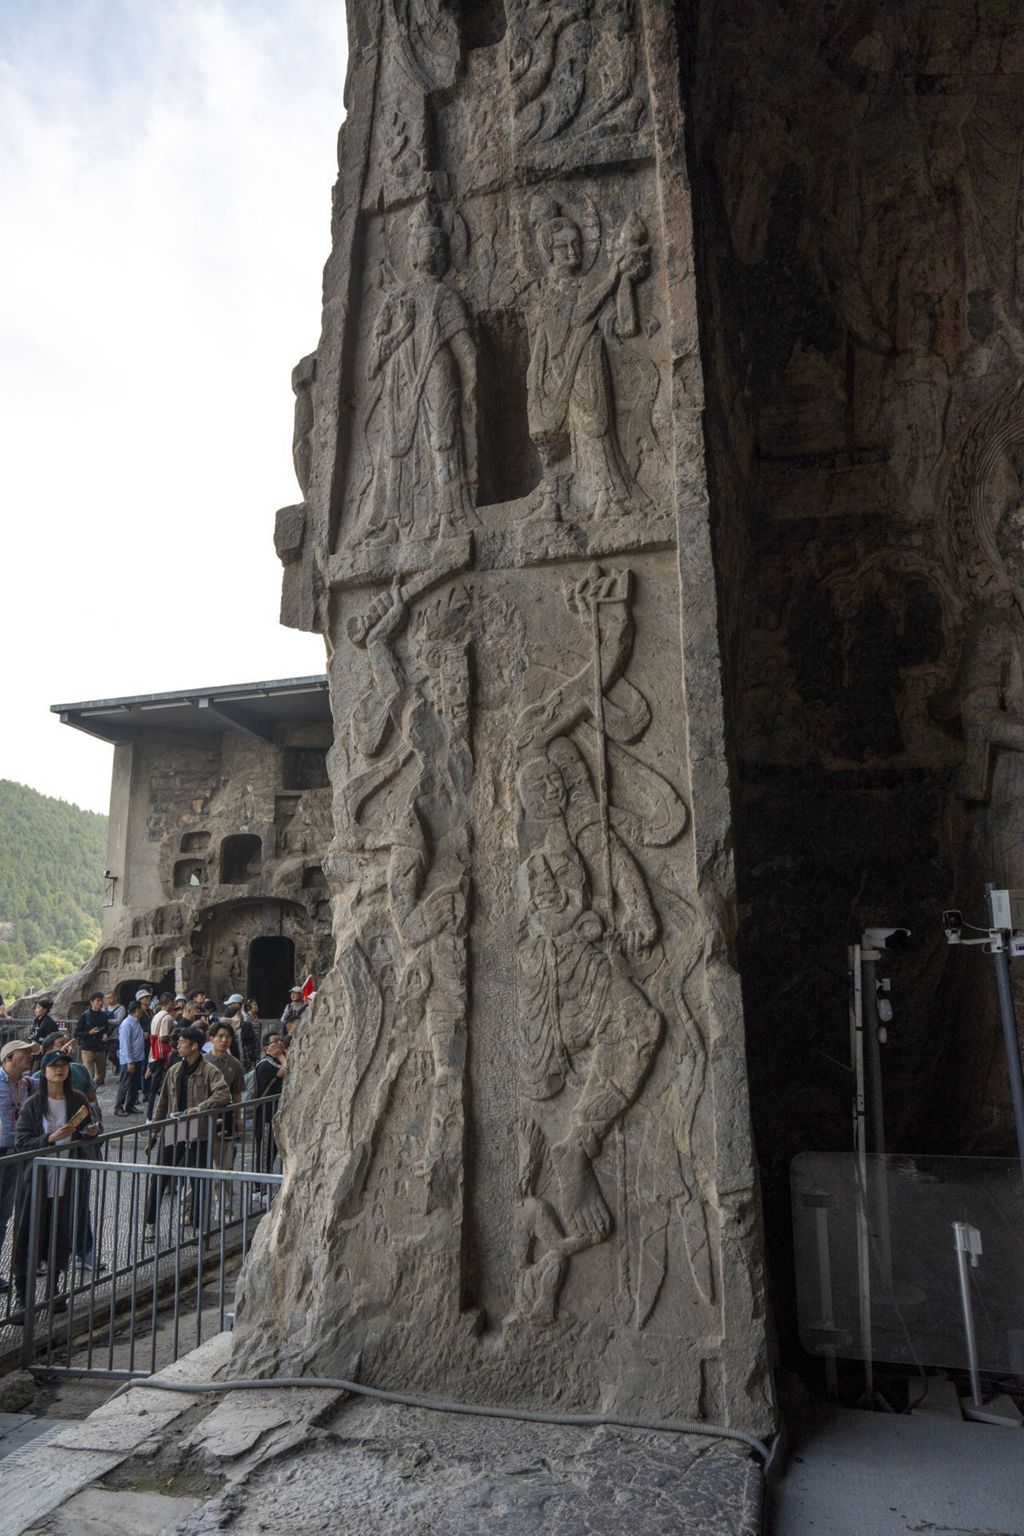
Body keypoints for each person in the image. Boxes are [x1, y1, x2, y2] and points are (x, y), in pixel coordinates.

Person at [12, 1051, 100, 1320]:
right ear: (45, 1071)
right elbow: (22, 1142)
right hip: (36, 1181)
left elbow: (92, 1130)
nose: (59, 1070)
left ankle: (54, 1291)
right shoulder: (32, 1104)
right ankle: (23, 1298)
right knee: (29, 1234)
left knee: (60, 1234)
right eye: (54, 1066)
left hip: (67, 1177)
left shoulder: (78, 1099)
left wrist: (91, 1133)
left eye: (63, 1066)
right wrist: (49, 1138)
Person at [144, 1026, 230, 1238]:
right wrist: (155, 1129)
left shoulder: (209, 1070)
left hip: (198, 1130)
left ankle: (200, 1226)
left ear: (194, 1046)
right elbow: (163, 1101)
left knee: (198, 1179)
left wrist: (199, 1108)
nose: (178, 1046)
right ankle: (150, 1223)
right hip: (175, 1128)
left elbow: (223, 1094)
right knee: (160, 1176)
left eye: (182, 1042)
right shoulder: (174, 1070)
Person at [0, 1039, 34, 1293]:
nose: (29, 1056)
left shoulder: (25, 1084)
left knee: (3, 1216)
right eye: (24, 1053)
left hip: (14, 1155)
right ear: (9, 1057)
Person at [206, 1023, 244, 1170]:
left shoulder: (234, 1063)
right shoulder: (203, 1062)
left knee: (225, 1161)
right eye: (220, 1036)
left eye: (227, 1037)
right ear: (211, 1039)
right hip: (204, 1112)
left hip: (226, 1113)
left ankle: (222, 1191)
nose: (224, 1040)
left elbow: (236, 1092)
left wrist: (238, 1117)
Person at [250, 1032, 288, 1174]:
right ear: (266, 1048)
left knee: (276, 1151)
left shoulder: (281, 1060)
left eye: (280, 1040)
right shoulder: (265, 1064)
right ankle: (260, 1189)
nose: (279, 1043)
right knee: (265, 1152)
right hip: (266, 1116)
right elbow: (287, 1070)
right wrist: (280, 1055)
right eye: (274, 1041)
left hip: (279, 1114)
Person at [144, 993, 176, 1121]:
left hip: (154, 1054)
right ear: (168, 1003)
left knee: (155, 1088)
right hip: (161, 1056)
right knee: (158, 1087)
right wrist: (175, 1035)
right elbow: (163, 1037)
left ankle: (151, 1115)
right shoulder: (167, 1017)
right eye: (173, 1003)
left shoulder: (156, 1015)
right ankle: (151, 1115)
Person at [115, 1001, 146, 1116]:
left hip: (137, 1057)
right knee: (125, 1083)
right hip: (129, 1059)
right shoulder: (127, 1024)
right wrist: (129, 1061)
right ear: (137, 1010)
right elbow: (125, 1044)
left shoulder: (136, 1022)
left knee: (134, 1083)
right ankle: (118, 1107)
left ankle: (130, 1105)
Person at [75, 993, 110, 1086]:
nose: (100, 1003)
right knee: (89, 1073)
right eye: (98, 1001)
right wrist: (89, 1033)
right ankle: (89, 1091)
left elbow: (107, 1028)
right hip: (87, 1048)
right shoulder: (85, 1015)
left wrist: (106, 1034)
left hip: (100, 1047)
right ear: (92, 1002)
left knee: (101, 1074)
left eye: (101, 1001)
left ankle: (94, 1088)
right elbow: (77, 1032)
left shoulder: (104, 1015)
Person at [104, 991, 125, 1072]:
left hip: (115, 1035)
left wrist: (107, 1021)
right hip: (105, 1036)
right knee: (103, 1056)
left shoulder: (121, 1008)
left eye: (110, 998)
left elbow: (119, 1020)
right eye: (107, 999)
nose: (108, 1000)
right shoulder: (104, 1009)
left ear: (115, 997)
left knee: (112, 1055)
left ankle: (118, 1065)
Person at [239, 1002, 261, 1072]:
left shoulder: (256, 1017)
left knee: (256, 1060)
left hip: (256, 1042)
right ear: (248, 1007)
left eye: (256, 1004)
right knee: (248, 1063)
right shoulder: (245, 1017)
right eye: (254, 1004)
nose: (256, 1006)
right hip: (248, 1043)